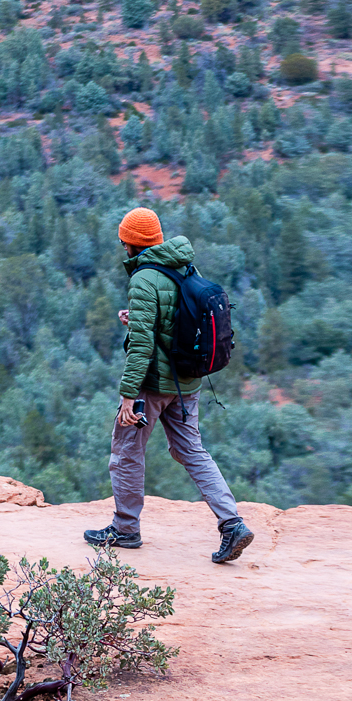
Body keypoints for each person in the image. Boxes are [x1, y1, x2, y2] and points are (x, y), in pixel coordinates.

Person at [83, 206, 253, 564]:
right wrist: (139, 319)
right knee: (192, 451)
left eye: (123, 242)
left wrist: (129, 395)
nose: (122, 247)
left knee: (126, 454)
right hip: (188, 382)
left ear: (131, 244)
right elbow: (178, 319)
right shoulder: (185, 265)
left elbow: (143, 346)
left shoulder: (144, 279)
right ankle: (232, 523)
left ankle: (126, 529)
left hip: (154, 385)